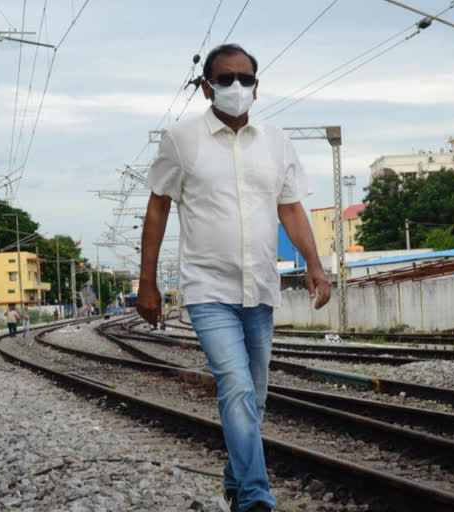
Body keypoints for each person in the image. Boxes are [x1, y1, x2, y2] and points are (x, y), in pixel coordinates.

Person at [137, 44, 331, 512]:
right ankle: (255, 499)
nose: (236, 87)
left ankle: (233, 480)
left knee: (256, 398)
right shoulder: (181, 140)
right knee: (237, 387)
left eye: (245, 79)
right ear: (206, 87)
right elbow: (158, 206)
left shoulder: (276, 141)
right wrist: (147, 281)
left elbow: (290, 208)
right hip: (208, 289)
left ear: (257, 86)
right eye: (225, 79)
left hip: (259, 288)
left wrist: (315, 264)